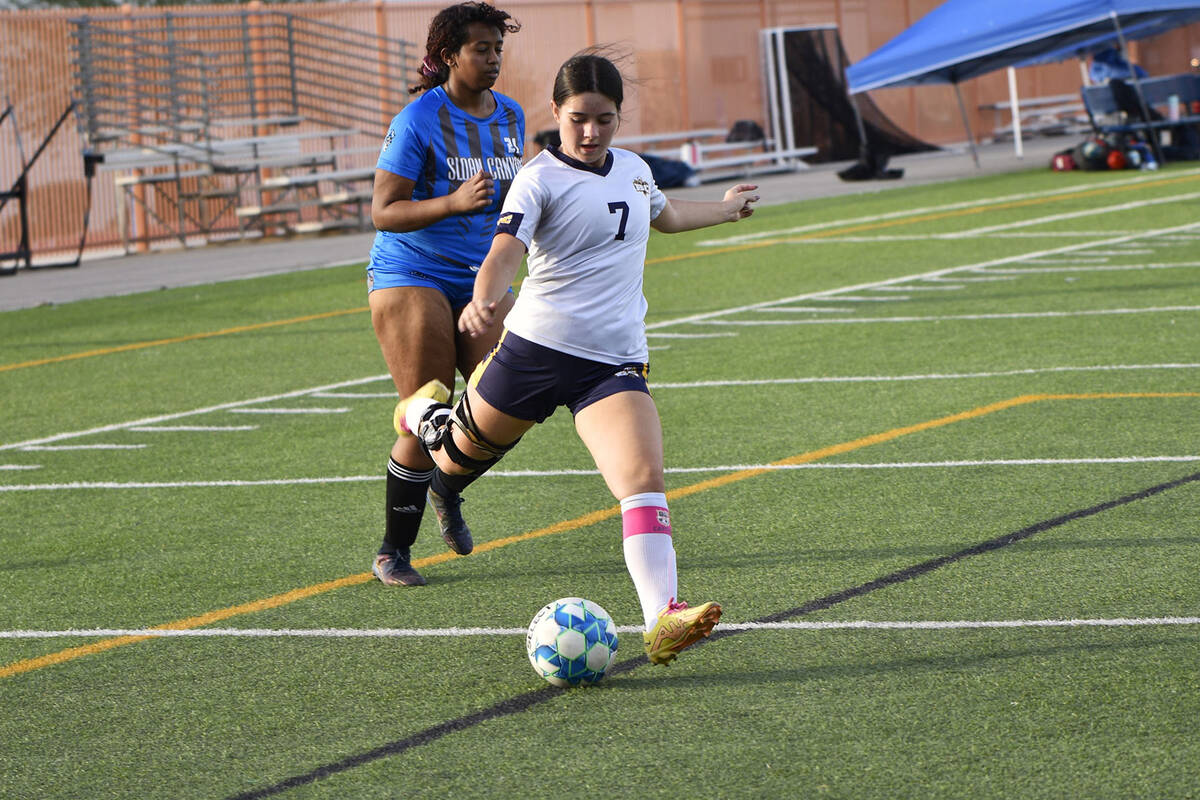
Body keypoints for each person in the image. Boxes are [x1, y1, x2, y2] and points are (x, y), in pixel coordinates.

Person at [395, 52, 760, 665]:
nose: (591, 132)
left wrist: (724, 209)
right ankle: (423, 418)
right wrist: (484, 301)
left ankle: (661, 618)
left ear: (620, 118)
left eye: (605, 119)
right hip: (535, 352)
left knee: (642, 483)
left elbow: (665, 216)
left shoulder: (635, 170)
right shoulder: (538, 179)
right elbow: (505, 251)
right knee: (454, 453)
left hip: (612, 363)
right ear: (557, 113)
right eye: (579, 119)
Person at [367, 2, 524, 587]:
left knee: (509, 401)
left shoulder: (510, 115)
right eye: (481, 49)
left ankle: (447, 486)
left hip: (480, 274)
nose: (492, 59)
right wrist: (451, 204)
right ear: (449, 55)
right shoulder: (417, 120)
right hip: (412, 272)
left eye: (497, 49)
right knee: (430, 405)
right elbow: (384, 210)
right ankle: (393, 550)